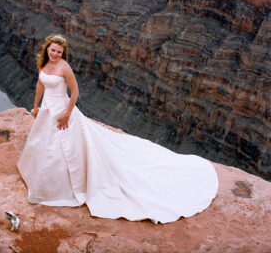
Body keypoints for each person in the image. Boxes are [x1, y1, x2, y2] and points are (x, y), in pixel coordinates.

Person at [17, 34, 218, 223]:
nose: (55, 54)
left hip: (63, 112)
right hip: (46, 111)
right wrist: (35, 106)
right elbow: (40, 85)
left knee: (65, 150)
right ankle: (44, 183)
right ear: (47, 49)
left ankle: (61, 189)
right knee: (45, 147)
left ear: (63, 53)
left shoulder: (64, 67)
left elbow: (75, 91)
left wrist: (67, 114)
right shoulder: (43, 64)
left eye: (59, 52)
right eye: (53, 50)